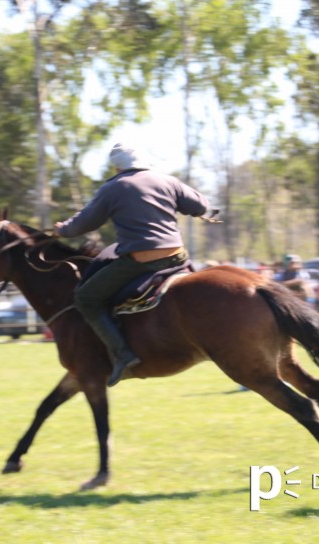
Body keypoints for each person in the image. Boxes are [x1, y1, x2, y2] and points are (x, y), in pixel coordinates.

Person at [53, 142, 210, 387]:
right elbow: (201, 206)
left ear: (117, 166)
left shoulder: (113, 187)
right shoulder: (167, 180)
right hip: (178, 258)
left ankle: (123, 354)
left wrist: (63, 230)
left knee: (86, 298)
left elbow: (84, 223)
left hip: (142, 262)